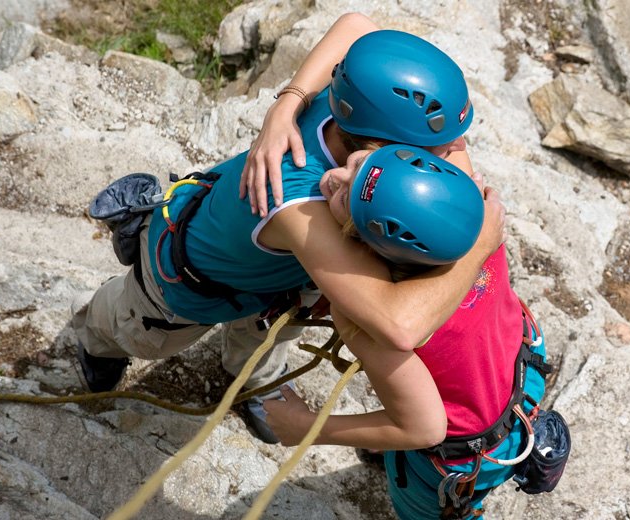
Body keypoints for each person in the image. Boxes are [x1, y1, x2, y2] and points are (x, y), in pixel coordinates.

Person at [72, 15, 493, 446]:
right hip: (187, 281)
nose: (456, 149)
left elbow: (356, 25)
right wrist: (483, 239)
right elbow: (399, 325)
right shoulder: (298, 201)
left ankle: (253, 380)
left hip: (274, 281)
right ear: (384, 144)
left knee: (269, 335)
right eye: (441, 144)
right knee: (139, 334)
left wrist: (287, 103)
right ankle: (98, 330)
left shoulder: (353, 107)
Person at [263, 145, 550, 520]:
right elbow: (454, 144)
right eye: (356, 162)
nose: (334, 177)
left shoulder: (367, 327)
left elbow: (423, 428)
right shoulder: (472, 216)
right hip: (521, 377)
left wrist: (308, 428)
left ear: (365, 247)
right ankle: (387, 448)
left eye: (345, 196)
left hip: (466, 454)